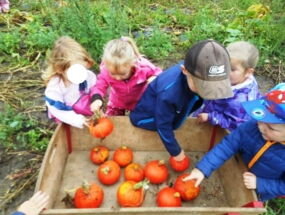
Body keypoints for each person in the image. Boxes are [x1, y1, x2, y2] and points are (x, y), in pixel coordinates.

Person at [130, 39, 233, 170]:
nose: (207, 93)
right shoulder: (169, 93)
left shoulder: (195, 75)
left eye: (213, 87)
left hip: (176, 108)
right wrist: (176, 151)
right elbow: (162, 125)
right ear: (185, 71)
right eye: (203, 87)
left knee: (176, 118)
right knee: (166, 125)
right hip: (149, 116)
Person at [184, 83, 285, 201]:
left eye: (271, 128)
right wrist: (202, 169)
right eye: (260, 118)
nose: (261, 127)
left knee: (246, 201)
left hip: (260, 189)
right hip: (236, 169)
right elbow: (228, 145)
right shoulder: (252, 126)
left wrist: (260, 184)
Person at [192, 41, 261, 131]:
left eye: (232, 69)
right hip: (211, 107)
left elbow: (235, 124)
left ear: (248, 72)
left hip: (218, 127)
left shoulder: (240, 101)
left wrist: (210, 117)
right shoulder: (235, 79)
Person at [90, 36, 162, 116]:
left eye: (122, 74)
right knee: (114, 121)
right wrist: (96, 98)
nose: (117, 78)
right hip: (117, 101)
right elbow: (99, 86)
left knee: (138, 121)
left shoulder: (143, 68)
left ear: (132, 64)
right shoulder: (106, 71)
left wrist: (154, 77)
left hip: (139, 101)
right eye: (113, 74)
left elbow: (157, 72)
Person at [42, 36, 97, 128]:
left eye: (82, 68)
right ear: (60, 69)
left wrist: (96, 103)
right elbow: (58, 109)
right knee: (69, 131)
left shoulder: (88, 76)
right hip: (66, 116)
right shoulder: (56, 87)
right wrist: (79, 120)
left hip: (84, 109)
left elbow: (95, 90)